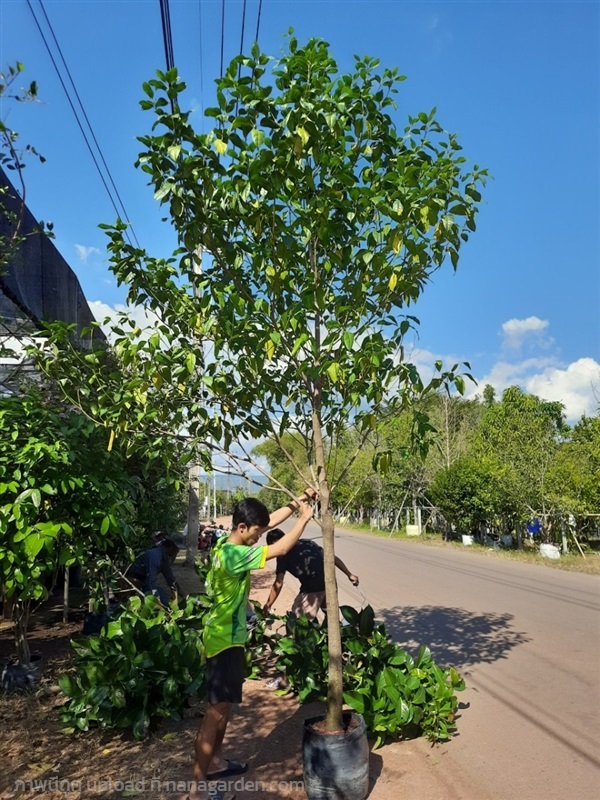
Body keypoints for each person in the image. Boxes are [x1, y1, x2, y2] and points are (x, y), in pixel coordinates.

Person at [181, 491, 317, 800]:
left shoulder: (225, 543)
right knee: (214, 713)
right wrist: (305, 518)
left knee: (224, 707)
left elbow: (270, 525)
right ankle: (196, 790)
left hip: (227, 638)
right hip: (223, 642)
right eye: (256, 533)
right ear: (242, 527)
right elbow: (281, 547)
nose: (259, 537)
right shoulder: (234, 555)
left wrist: (300, 500)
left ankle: (215, 761)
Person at [264, 529, 359, 621]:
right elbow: (331, 557)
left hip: (313, 587)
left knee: (297, 620)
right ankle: (331, 631)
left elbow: (279, 583)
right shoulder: (306, 542)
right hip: (330, 582)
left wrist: (268, 605)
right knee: (330, 614)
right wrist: (349, 574)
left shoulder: (282, 556)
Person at [126, 538, 183, 604]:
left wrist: (184, 595)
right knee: (163, 600)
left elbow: (170, 579)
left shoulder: (164, 559)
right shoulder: (155, 557)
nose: (176, 553)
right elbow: (150, 582)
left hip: (144, 581)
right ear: (171, 548)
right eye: (177, 550)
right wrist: (157, 601)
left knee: (163, 596)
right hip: (134, 579)